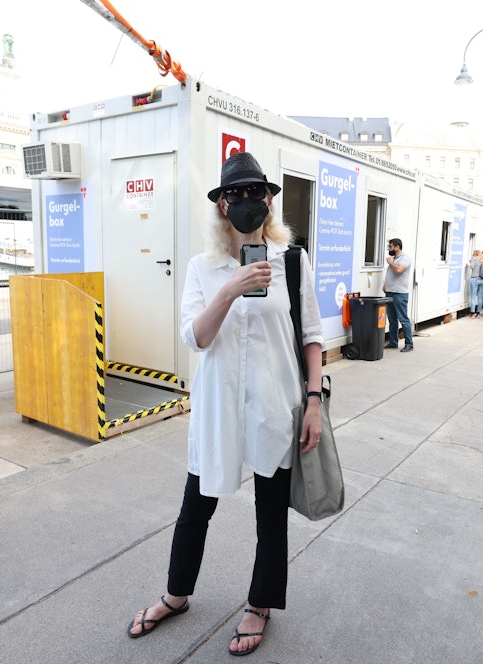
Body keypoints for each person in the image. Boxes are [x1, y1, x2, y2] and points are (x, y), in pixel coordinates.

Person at [127, 152, 325, 656]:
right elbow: (195, 338)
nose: (246, 202)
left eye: (256, 192)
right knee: (196, 506)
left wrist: (314, 401)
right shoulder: (203, 267)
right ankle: (175, 595)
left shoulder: (292, 262)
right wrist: (231, 289)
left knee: (270, 512)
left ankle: (259, 605)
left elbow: (311, 337)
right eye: (235, 194)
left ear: (269, 201)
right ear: (221, 206)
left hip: (275, 403)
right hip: (218, 406)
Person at [383, 238, 414, 351]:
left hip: (400, 294)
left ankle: (409, 344)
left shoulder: (405, 258)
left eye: (390, 246)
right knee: (392, 319)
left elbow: (399, 270)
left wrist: (391, 263)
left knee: (403, 319)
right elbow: (391, 274)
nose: (388, 249)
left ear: (397, 247)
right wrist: (385, 285)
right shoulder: (394, 259)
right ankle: (393, 342)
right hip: (390, 292)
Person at [467, 250, 483, 318]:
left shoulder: (473, 258)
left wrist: (468, 263)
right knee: (480, 297)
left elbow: (472, 266)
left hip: (474, 279)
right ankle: (478, 313)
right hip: (482, 280)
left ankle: (472, 313)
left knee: (473, 296)